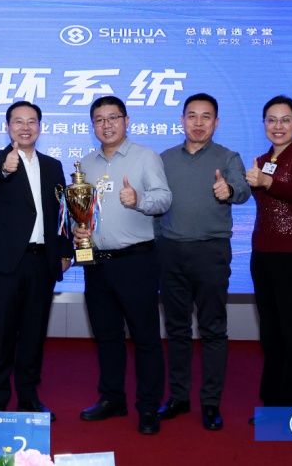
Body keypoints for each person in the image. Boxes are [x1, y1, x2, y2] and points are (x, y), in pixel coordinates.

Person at [72, 96, 171, 435]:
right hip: (96, 263)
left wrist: (139, 200)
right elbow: (81, 212)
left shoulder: (145, 157)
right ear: (93, 125)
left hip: (136, 261)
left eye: (113, 117)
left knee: (145, 338)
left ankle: (148, 406)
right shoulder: (86, 164)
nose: (107, 125)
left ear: (126, 121)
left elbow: (164, 198)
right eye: (99, 119)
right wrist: (78, 229)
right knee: (106, 337)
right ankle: (112, 398)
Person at [0, 101, 72, 425]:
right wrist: (6, 166)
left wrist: (66, 251)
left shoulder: (53, 166)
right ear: (7, 127)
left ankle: (29, 399)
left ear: (40, 127)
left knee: (33, 335)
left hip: (42, 264)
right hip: (5, 264)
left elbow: (61, 213)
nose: (25, 127)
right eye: (18, 121)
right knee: (2, 335)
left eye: (32, 121)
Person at [156, 93, 250, 431]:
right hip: (169, 251)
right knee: (177, 329)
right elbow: (156, 204)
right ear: (182, 120)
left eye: (206, 116)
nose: (198, 123)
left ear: (216, 122)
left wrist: (230, 191)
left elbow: (243, 189)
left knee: (213, 329)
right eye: (192, 116)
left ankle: (210, 403)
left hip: (211, 252)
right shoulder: (164, 159)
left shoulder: (228, 157)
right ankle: (179, 397)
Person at [246, 95, 292, 421]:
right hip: (262, 255)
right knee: (271, 333)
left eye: (285, 119)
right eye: (271, 119)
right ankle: (273, 402)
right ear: (264, 124)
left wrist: (266, 181)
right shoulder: (261, 160)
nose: (278, 126)